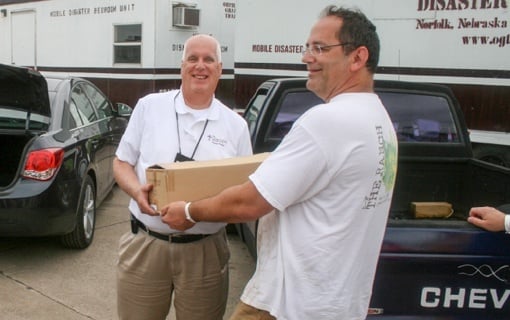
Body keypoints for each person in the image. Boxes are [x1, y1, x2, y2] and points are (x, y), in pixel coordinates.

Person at [160, 6, 398, 320]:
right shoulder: (380, 120)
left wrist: (189, 211)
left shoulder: (328, 122)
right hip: (339, 304)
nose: (306, 57)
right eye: (307, 47)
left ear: (357, 58)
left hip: (287, 305)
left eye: (320, 48)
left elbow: (251, 202)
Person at [113, 34, 252, 320]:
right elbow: (121, 163)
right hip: (146, 244)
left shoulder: (236, 126)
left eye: (208, 60)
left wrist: (197, 212)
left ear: (219, 70)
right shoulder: (149, 107)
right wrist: (136, 191)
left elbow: (243, 194)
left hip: (204, 252)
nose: (200, 66)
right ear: (182, 66)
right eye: (193, 58)